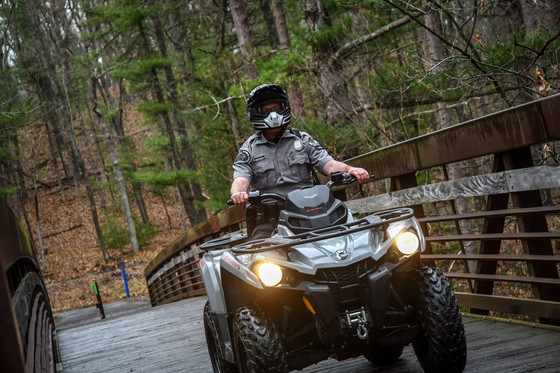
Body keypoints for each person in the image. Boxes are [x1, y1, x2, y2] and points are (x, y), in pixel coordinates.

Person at [230, 83, 369, 237]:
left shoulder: (302, 139)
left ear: (285, 108)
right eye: (266, 110)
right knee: (259, 251)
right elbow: (241, 179)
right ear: (256, 113)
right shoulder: (249, 148)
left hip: (313, 210)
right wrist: (238, 192)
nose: (273, 115)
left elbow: (328, 163)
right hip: (272, 219)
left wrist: (350, 170)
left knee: (354, 232)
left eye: (276, 108)